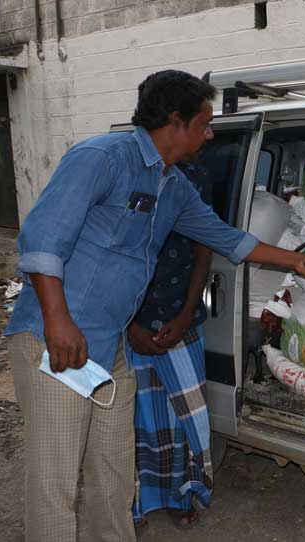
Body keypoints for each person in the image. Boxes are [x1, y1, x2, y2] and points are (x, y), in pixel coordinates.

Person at [4, 69, 305, 542]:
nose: (210, 134)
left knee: (113, 476)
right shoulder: (101, 158)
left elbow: (225, 238)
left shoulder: (173, 187)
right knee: (56, 483)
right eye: (205, 123)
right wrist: (57, 321)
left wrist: (297, 260)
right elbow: (41, 241)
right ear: (176, 122)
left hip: (109, 349)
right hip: (58, 345)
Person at [130, 160, 214, 529]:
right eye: (201, 123)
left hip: (182, 320)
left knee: (184, 419)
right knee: (135, 420)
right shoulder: (121, 170)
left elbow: (204, 248)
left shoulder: (195, 175)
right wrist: (131, 325)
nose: (208, 134)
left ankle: (181, 493)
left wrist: (184, 316)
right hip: (127, 321)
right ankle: (132, 501)